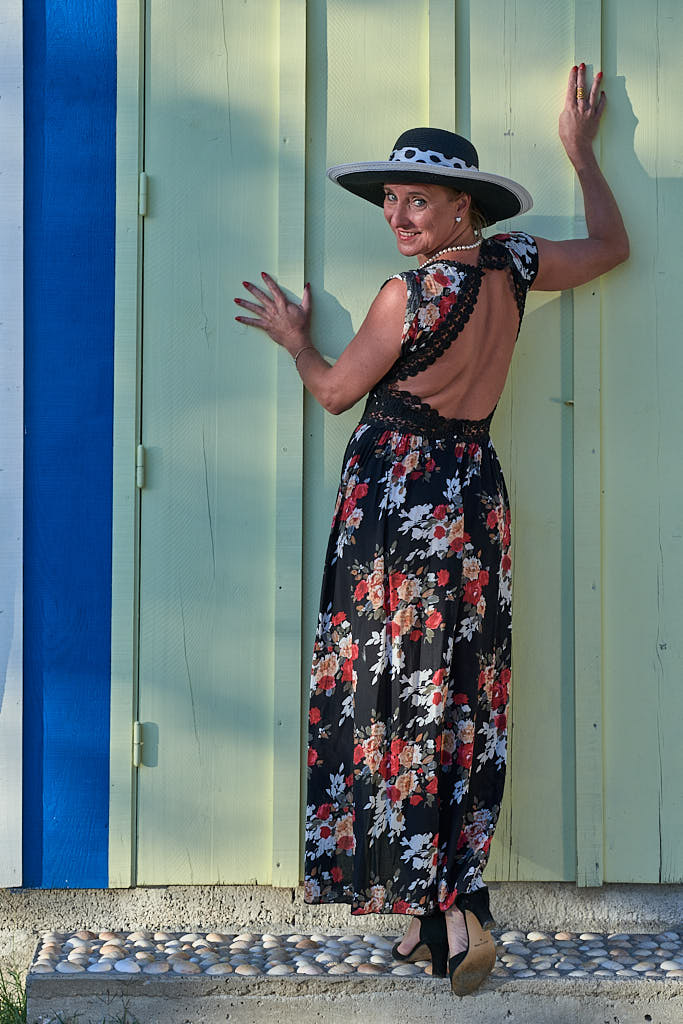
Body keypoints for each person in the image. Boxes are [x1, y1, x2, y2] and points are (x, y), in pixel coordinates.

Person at [234, 65, 628, 996]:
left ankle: (454, 912)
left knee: (394, 696)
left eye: (418, 200)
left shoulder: (403, 296)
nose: (398, 215)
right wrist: (581, 155)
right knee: (456, 692)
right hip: (471, 496)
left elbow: (336, 393)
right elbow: (610, 246)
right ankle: (429, 917)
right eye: (390, 199)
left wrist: (295, 340)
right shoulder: (514, 266)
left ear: (462, 208)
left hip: (394, 508)